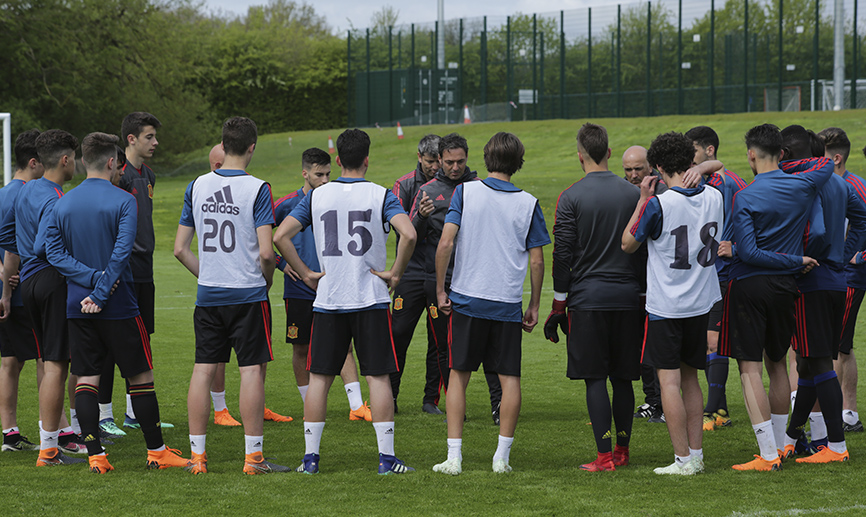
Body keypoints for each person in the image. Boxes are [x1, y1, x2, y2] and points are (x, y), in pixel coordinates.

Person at [44, 132, 189, 473]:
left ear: (82, 161)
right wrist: (102, 286)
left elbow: (52, 252)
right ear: (112, 162)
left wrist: (89, 285)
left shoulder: (62, 202)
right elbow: (122, 253)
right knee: (140, 376)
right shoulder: (124, 200)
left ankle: (96, 456)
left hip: (77, 305)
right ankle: (157, 452)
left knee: (86, 378)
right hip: (118, 303)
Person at [274, 129, 416, 475]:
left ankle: (310, 459)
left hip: (330, 299)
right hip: (370, 298)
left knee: (319, 378)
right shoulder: (382, 195)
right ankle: (386, 459)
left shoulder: (318, 195)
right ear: (367, 159)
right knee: (378, 378)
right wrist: (396, 273)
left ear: (337, 160)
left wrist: (306, 272)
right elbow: (409, 233)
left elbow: (280, 236)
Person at [174, 116, 288, 475]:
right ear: (251, 147)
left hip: (209, 296)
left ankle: (197, 458)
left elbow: (180, 249)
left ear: (222, 145)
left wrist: (208, 275)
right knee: (251, 371)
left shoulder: (196, 185)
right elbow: (267, 253)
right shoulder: (258, 189)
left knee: (203, 370)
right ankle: (253, 459)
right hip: (247, 294)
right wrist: (265, 281)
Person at [432, 132, 548, 475]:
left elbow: (445, 243)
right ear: (518, 162)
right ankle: (502, 458)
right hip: (507, 303)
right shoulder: (529, 202)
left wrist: (441, 289)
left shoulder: (465, 193)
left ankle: (454, 457)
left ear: (485, 158)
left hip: (468, 299)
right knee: (509, 377)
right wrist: (535, 305)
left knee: (458, 375)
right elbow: (538, 261)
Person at [718, 124, 831, 472]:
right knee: (779, 362)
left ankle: (768, 455)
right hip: (786, 287)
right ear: (781, 153)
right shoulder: (803, 183)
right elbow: (824, 163)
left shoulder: (746, 196)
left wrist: (794, 260)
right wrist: (785, 166)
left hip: (750, 286)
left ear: (751, 154)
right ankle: (782, 448)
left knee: (749, 367)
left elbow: (748, 253)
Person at [622, 131, 725, 475]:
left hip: (668, 305)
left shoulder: (658, 203)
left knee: (668, 382)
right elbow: (719, 166)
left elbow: (628, 244)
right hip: (703, 300)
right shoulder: (714, 194)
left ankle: (682, 459)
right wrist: (704, 166)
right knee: (691, 379)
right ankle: (695, 455)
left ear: (659, 167)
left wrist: (641, 199)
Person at [545, 123, 644, 472]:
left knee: (595, 379)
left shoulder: (571, 196)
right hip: (630, 298)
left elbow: (563, 254)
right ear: (610, 153)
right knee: (624, 378)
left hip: (588, 300)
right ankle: (622, 451)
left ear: (580, 154)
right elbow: (645, 250)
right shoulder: (634, 194)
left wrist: (559, 305)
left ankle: (604, 458)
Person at [778, 127, 866, 464]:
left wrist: (806, 258)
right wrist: (843, 255)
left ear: (786, 153)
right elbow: (861, 219)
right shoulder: (840, 183)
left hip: (810, 281)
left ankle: (836, 446)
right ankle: (791, 436)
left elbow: (814, 230)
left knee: (816, 363)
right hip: (837, 280)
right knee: (808, 364)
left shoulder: (804, 182)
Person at [0, 129, 85, 465]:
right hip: (47, 282)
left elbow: (6, 233)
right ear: (65, 160)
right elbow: (47, 246)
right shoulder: (53, 198)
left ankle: (51, 439)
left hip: (28, 284)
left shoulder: (25, 190)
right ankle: (53, 444)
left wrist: (12, 273)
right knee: (53, 365)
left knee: (41, 362)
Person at [409, 133, 503, 422]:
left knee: (490, 345)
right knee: (444, 346)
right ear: (439, 160)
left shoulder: (479, 188)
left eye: (460, 161)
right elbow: (412, 237)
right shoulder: (427, 190)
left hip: (476, 278)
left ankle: (498, 405)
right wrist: (422, 218)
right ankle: (453, 405)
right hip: (439, 280)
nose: (454, 167)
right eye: (449, 162)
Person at [272, 147, 370, 422]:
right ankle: (308, 404)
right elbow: (262, 234)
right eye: (319, 174)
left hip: (333, 285)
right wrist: (282, 263)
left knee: (344, 345)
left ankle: (356, 407)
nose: (325, 179)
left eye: (328, 173)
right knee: (301, 347)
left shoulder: (334, 200)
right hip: (299, 288)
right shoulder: (286, 205)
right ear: (305, 174)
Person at [97, 112, 174, 437]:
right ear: (131, 139)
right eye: (149, 137)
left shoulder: (150, 175)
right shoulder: (118, 175)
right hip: (122, 270)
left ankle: (131, 414)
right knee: (111, 344)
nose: (155, 143)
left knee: (140, 341)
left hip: (145, 270)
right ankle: (103, 416)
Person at [204, 143, 292, 426]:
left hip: (228, 288)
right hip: (244, 289)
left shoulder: (243, 190)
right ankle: (221, 411)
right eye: (216, 165)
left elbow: (257, 245)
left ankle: (257, 406)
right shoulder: (216, 188)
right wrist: (267, 278)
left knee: (255, 356)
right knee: (219, 359)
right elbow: (265, 250)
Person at [684, 125, 748, 432]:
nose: (689, 157)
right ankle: (715, 407)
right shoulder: (707, 180)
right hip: (708, 274)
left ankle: (717, 410)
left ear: (709, 151)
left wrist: (735, 247)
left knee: (715, 341)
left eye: (693, 150)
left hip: (726, 274)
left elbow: (751, 218)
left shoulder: (728, 183)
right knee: (712, 341)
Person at [389, 134, 443, 414]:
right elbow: (402, 231)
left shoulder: (453, 185)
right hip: (409, 272)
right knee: (398, 334)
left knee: (438, 339)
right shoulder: (404, 184)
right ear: (420, 157)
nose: (435, 167)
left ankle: (430, 400)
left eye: (438, 161)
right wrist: (419, 217)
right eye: (431, 161)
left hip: (439, 274)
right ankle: (390, 397)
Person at [0, 129, 44, 452]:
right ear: (33, 162)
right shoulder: (27, 195)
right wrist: (8, 277)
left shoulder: (2, 193)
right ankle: (57, 432)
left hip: (7, 286)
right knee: (48, 358)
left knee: (11, 361)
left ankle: (10, 434)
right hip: (20, 290)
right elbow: (15, 247)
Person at [622, 145, 665, 424]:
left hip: (658, 283)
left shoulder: (662, 194)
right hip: (632, 281)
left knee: (657, 347)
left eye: (639, 168)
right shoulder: (626, 193)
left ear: (651, 166)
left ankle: (662, 402)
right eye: (628, 170)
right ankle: (651, 400)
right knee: (639, 345)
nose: (634, 174)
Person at [833, 133, 866, 434]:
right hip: (843, 276)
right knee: (843, 347)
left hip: (849, 277)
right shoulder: (839, 185)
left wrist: (857, 256)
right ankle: (848, 413)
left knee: (835, 346)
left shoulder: (853, 187)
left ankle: (833, 413)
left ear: (836, 158)